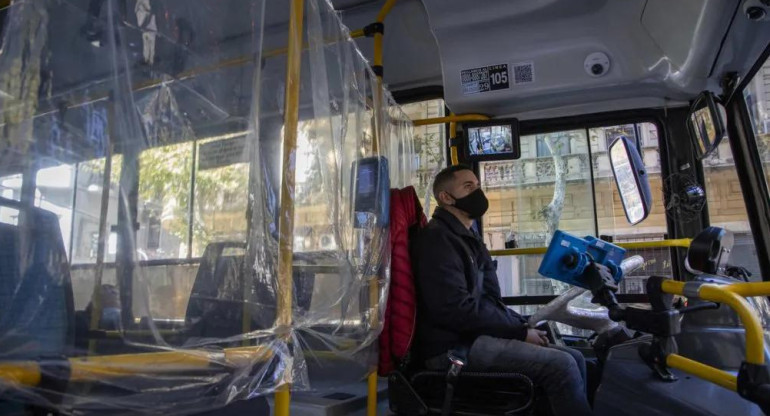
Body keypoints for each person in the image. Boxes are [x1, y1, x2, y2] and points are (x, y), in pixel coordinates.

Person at [412, 164, 593, 416]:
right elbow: (455, 309)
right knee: (562, 366)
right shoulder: (438, 240)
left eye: (477, 185)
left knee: (576, 357)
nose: (478, 192)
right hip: (451, 347)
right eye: (468, 186)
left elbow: (488, 300)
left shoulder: (466, 237)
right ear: (445, 197)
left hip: (471, 336)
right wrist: (519, 332)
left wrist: (523, 324)